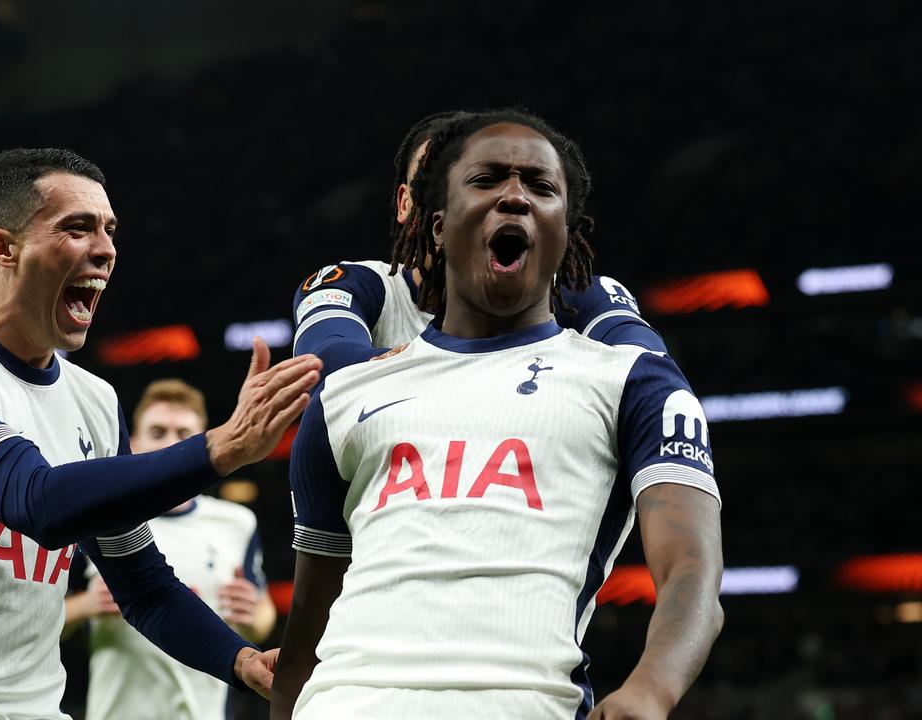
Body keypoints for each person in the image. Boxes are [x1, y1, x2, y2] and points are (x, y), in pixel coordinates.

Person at [0, 148, 319, 719]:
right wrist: (217, 449)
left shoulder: (95, 401)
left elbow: (143, 586)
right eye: (77, 229)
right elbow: (37, 502)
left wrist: (240, 659)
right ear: (4, 247)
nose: (105, 249)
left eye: (109, 231)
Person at [272, 110, 723, 718]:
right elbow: (305, 639)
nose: (513, 196)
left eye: (540, 187)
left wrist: (651, 687)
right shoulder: (348, 394)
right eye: (486, 180)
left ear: (567, 230)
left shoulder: (632, 382)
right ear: (433, 224)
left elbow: (692, 573)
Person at [292, 110, 666, 378]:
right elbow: (323, 365)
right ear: (407, 203)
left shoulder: (578, 294)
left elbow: (648, 370)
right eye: (430, 185)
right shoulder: (355, 285)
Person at [63, 378, 277, 720]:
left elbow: (263, 610)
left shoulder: (237, 522)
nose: (171, 444)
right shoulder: (100, 518)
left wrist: (255, 617)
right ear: (132, 443)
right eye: (158, 432)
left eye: (183, 434)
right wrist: (85, 605)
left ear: (204, 442)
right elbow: (43, 620)